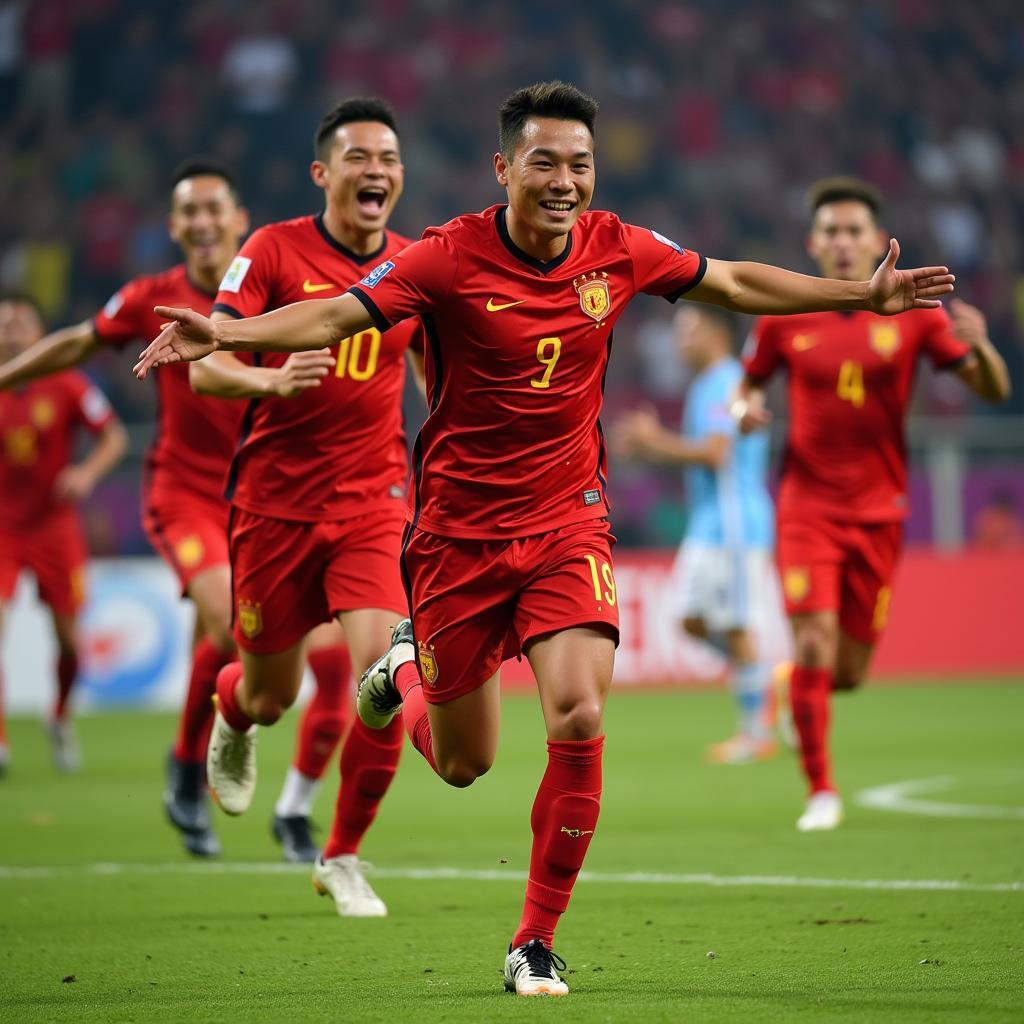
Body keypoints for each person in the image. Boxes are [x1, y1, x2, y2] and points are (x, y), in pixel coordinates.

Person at [133, 82, 956, 996]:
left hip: (568, 523)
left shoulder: (620, 248)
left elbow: (729, 281)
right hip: (455, 539)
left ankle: (534, 940)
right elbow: (335, 314)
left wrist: (856, 297)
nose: (566, 182)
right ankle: (397, 674)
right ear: (505, 169)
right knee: (462, 763)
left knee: (580, 714)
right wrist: (228, 330)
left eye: (580, 165)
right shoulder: (446, 257)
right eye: (545, 163)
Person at [0, 161, 352, 858]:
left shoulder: (278, 289)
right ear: (173, 226)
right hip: (188, 494)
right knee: (225, 626)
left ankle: (202, 769)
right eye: (187, 211)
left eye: (213, 208)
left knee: (248, 649)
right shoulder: (152, 297)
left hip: (274, 495)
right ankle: (192, 770)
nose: (201, 222)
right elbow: (76, 343)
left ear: (238, 218)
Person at [189, 97, 423, 911]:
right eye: (360, 157)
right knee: (271, 694)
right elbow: (206, 363)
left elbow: (436, 372)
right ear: (324, 172)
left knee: (388, 673)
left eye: (388, 158)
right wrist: (269, 377)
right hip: (274, 509)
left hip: (372, 501)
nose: (377, 171)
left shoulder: (412, 264)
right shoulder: (271, 250)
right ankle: (234, 711)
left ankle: (343, 854)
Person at [735, 177, 1011, 832]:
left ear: (876, 240)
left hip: (881, 511)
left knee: (849, 671)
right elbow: (745, 390)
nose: (841, 241)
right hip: (805, 505)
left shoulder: (917, 313)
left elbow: (991, 390)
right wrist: (746, 412)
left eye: (853, 230)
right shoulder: (784, 312)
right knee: (816, 639)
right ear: (813, 242)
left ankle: (793, 686)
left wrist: (984, 345)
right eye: (829, 231)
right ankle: (821, 791)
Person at [613, 304, 781, 764]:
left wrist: (653, 443)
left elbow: (715, 454)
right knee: (690, 618)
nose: (678, 341)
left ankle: (755, 733)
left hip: (734, 521)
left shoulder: (728, 381)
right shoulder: (708, 385)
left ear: (716, 334)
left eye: (686, 331)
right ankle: (766, 677)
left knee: (736, 622)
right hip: (713, 523)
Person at [0, 293, 127, 774]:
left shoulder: (68, 383)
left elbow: (114, 437)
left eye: (20, 324)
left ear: (39, 335)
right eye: (4, 325)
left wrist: (86, 474)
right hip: (3, 529)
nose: (11, 333)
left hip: (55, 526)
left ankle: (58, 715)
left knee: (71, 644)